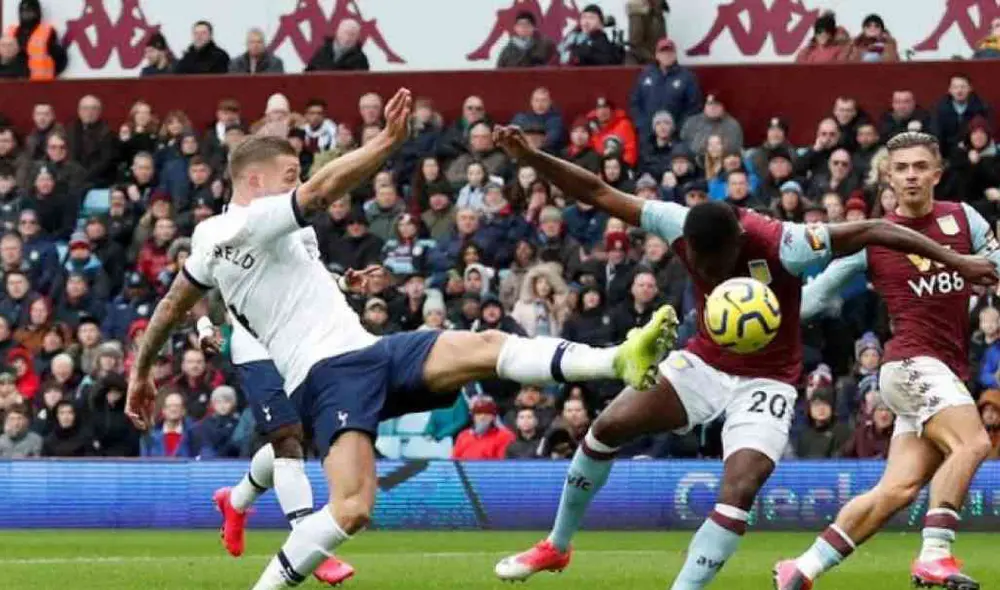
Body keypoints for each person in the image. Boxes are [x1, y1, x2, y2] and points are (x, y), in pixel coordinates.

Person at [125, 88, 675, 590]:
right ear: (254, 182)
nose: (297, 180)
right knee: (353, 508)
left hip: (367, 352)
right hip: (325, 376)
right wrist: (387, 141)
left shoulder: (223, 239)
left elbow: (176, 303)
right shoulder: (249, 222)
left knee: (481, 345)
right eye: (289, 172)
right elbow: (317, 193)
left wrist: (140, 372)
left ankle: (619, 359)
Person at [490, 125, 998, 588]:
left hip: (770, 381)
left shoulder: (787, 243)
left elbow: (873, 230)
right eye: (699, 261)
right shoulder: (678, 223)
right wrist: (532, 157)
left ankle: (733, 580)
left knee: (742, 488)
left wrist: (958, 262)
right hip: (705, 363)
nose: (708, 269)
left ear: (739, 242)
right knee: (605, 429)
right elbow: (599, 192)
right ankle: (555, 545)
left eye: (720, 261)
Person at [774, 132, 1000, 589]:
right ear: (888, 178)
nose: (912, 175)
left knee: (895, 491)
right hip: (909, 365)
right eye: (902, 169)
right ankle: (935, 555)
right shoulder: (869, 239)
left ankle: (801, 568)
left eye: (921, 166)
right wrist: (767, 316)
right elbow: (816, 296)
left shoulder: (964, 219)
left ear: (937, 174)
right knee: (973, 443)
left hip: (945, 370)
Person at [629, 38, 702, 137]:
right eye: (663, 52)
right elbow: (635, 102)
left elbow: (694, 107)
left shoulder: (687, 77)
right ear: (657, 55)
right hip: (648, 134)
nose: (667, 55)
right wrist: (643, 125)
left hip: (676, 135)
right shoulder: (646, 75)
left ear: (675, 55)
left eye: (670, 52)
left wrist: (678, 127)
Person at [6, 0, 67, 80]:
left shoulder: (47, 31)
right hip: (15, 82)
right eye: (23, 12)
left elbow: (60, 57)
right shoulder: (11, 31)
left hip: (41, 82)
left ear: (37, 12)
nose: (26, 15)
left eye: (30, 11)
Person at [451, 394, 515, 460]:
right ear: (473, 416)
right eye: (478, 413)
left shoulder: (505, 436)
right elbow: (454, 462)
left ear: (493, 416)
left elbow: (503, 465)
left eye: (487, 413)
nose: (482, 417)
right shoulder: (463, 435)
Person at [305, 20, 370, 72]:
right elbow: (307, 74)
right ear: (338, 33)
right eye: (346, 32)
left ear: (357, 37)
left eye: (352, 34)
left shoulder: (361, 59)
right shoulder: (322, 52)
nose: (348, 37)